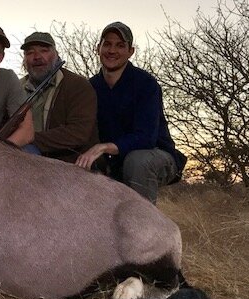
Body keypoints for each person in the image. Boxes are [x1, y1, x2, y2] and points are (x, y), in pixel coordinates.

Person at [76, 21, 185, 204]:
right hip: (113, 160)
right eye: (107, 44)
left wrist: (103, 147)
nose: (112, 51)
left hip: (153, 155)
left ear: (130, 51)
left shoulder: (146, 84)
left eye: (120, 45)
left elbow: (146, 138)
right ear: (98, 48)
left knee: (137, 161)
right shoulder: (90, 87)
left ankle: (145, 227)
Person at [20, 31, 97, 163]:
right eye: (30, 52)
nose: (37, 56)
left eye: (44, 50)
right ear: (25, 59)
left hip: (65, 162)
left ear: (56, 55)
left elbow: (79, 132)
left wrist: (29, 138)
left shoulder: (77, 85)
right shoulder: (16, 87)